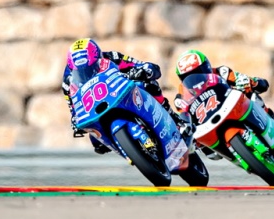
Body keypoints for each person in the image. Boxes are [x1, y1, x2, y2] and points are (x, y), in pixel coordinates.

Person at [61, 38, 192, 155]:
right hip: (95, 109)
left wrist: (145, 70)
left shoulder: (111, 57)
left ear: (99, 58)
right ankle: (129, 150)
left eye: (92, 68)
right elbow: (73, 107)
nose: (88, 74)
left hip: (117, 94)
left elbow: (138, 64)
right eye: (81, 72)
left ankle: (175, 121)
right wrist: (75, 120)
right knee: (97, 143)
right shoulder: (67, 81)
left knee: (149, 85)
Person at [172, 49, 274, 145]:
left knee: (254, 98)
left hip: (234, 108)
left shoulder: (221, 72)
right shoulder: (181, 97)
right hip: (209, 123)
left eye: (199, 72)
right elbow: (184, 118)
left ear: (207, 67)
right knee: (205, 149)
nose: (196, 80)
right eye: (189, 77)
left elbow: (241, 79)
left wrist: (254, 82)